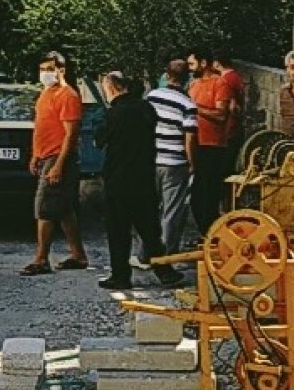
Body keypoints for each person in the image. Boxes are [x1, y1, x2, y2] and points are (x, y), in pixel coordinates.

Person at [95, 71, 186, 289]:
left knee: (118, 230)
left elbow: (99, 139)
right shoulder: (146, 109)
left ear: (113, 87)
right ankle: (164, 270)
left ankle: (120, 275)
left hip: (118, 179)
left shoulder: (113, 114)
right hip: (144, 176)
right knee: (149, 228)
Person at [20, 51, 90, 276]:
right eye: (42, 70)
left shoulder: (68, 96)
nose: (45, 74)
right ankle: (78, 255)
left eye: (49, 70)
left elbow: (71, 134)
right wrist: (35, 155)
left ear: (62, 70)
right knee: (64, 210)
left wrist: (59, 164)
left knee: (45, 209)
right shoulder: (45, 93)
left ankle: (41, 259)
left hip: (58, 157)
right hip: (45, 156)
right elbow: (41, 126)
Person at [146, 58, 198, 255]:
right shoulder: (188, 105)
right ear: (187, 78)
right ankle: (166, 255)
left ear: (166, 75)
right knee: (172, 211)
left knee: (150, 208)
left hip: (152, 159)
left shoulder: (152, 97)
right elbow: (190, 137)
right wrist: (192, 162)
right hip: (175, 162)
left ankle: (145, 252)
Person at [187, 47, 233, 236]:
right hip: (196, 143)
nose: (190, 68)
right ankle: (204, 232)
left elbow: (221, 114)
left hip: (213, 145)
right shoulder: (194, 85)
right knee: (197, 196)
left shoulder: (219, 84)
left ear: (203, 63)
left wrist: (195, 108)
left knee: (209, 194)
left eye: (192, 64)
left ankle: (211, 234)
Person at [214, 49, 246, 161]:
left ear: (217, 63)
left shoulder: (226, 80)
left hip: (228, 126)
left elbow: (232, 105)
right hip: (236, 125)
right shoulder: (237, 76)